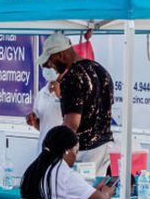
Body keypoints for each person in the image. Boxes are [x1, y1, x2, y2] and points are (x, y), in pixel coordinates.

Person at [39, 32, 114, 172]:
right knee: (100, 192)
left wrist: (53, 152)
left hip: (84, 152)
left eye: (50, 61)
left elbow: (71, 124)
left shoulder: (72, 77)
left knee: (79, 192)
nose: (50, 66)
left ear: (60, 54)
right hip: (105, 148)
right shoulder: (101, 70)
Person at [19, 126, 117, 199]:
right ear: (67, 151)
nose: (76, 156)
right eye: (76, 151)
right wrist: (106, 193)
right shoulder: (65, 174)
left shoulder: (36, 169)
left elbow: (71, 193)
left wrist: (93, 190)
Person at [27, 65, 64, 153]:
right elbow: (42, 126)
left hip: (62, 149)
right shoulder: (41, 93)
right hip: (43, 149)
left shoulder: (69, 91)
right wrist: (33, 121)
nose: (47, 69)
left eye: (50, 66)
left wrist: (59, 96)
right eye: (44, 67)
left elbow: (73, 119)